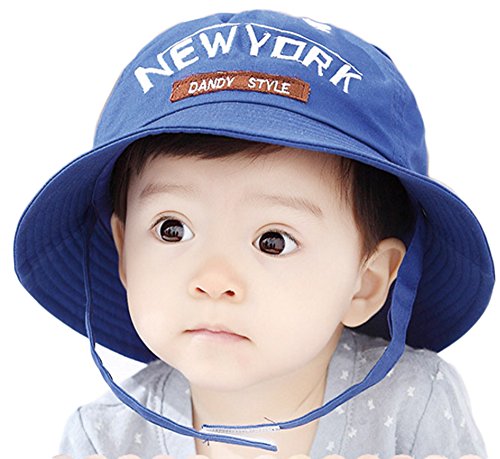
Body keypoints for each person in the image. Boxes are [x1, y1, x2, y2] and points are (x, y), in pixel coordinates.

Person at [13, 8, 493, 459]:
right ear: (123, 254)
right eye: (172, 229)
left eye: (273, 241)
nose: (213, 279)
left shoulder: (411, 405)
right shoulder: (106, 439)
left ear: (365, 283)